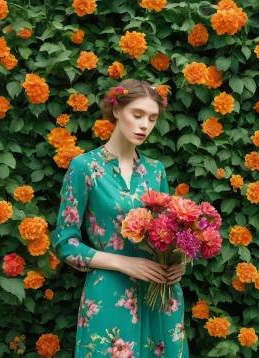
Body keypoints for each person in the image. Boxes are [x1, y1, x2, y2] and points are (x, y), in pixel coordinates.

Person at [52, 79, 190, 357]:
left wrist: (180, 263)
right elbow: (64, 242)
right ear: (116, 111)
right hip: (109, 294)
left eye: (151, 118)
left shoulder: (156, 170)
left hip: (160, 294)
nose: (144, 125)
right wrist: (124, 263)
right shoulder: (84, 168)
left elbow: (168, 232)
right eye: (137, 115)